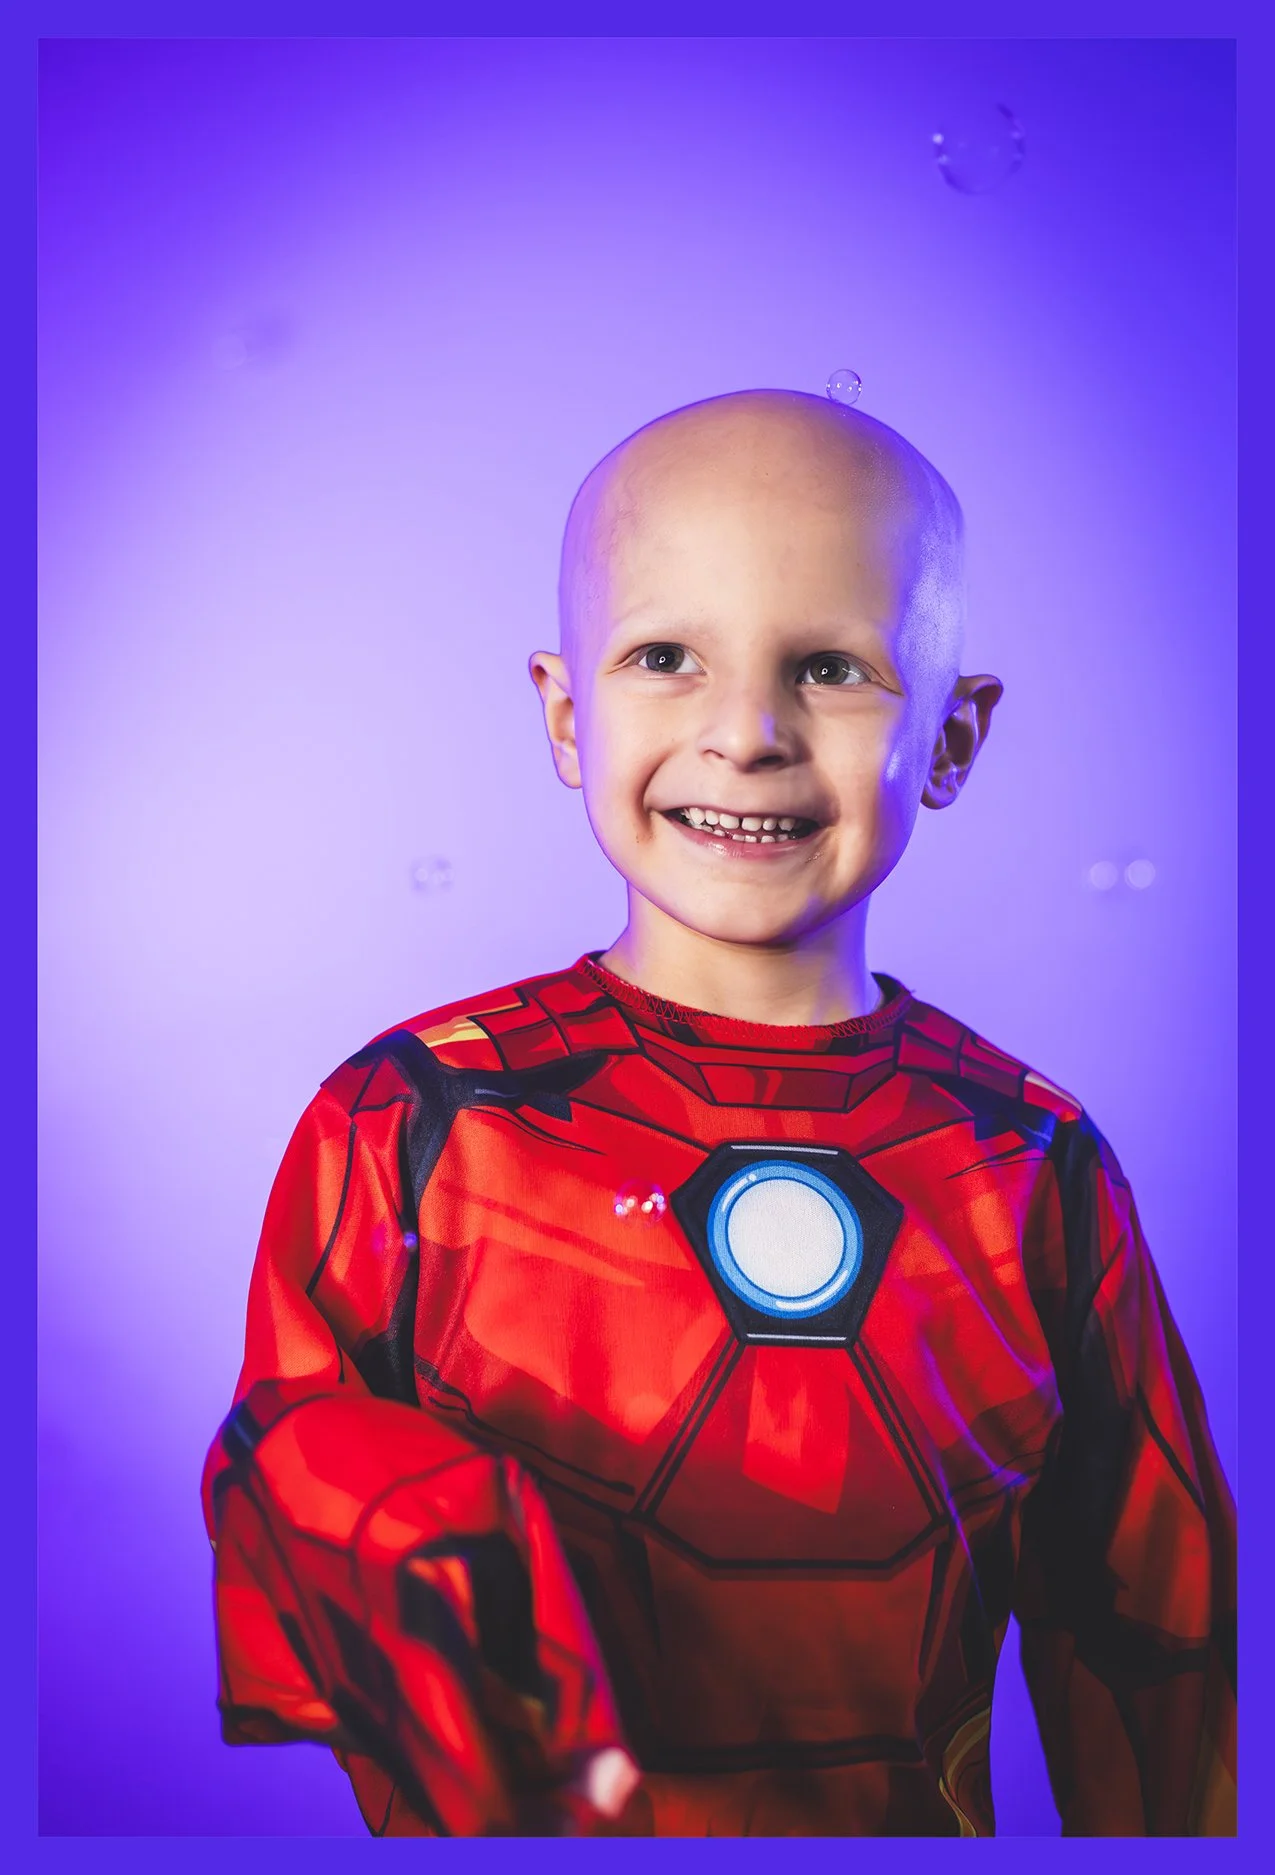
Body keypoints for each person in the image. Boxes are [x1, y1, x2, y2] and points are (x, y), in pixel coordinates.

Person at [202, 390, 1236, 1837]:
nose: (744, 732)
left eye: (829, 666)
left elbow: (1150, 1620)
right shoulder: (413, 1118)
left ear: (950, 735)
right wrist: (403, 1523)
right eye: (664, 656)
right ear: (569, 713)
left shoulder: (1029, 1162)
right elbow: (277, 1454)